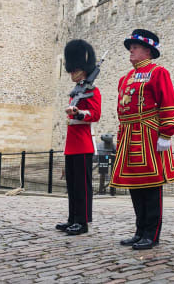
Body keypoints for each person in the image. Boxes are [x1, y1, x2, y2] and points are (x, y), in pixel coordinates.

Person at [109, 29, 174, 250]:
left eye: (135, 47)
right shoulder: (125, 78)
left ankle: (152, 233)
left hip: (149, 135)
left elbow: (168, 103)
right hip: (129, 135)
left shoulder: (159, 72)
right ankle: (140, 231)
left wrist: (166, 133)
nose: (131, 50)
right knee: (135, 186)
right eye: (130, 47)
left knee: (150, 186)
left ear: (147, 51)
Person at [56, 39, 101, 235]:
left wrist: (78, 113)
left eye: (76, 70)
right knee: (72, 186)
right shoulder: (75, 92)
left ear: (84, 69)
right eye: (71, 70)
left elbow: (95, 114)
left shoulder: (92, 91)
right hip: (72, 145)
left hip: (83, 144)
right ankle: (72, 218)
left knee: (82, 187)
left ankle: (82, 222)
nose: (72, 74)